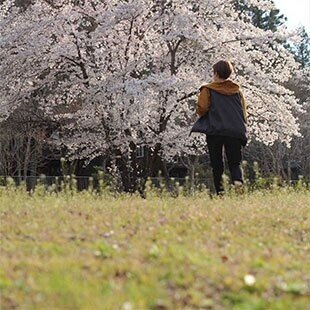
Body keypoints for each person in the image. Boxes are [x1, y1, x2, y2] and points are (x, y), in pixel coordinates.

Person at [193, 60, 247, 194]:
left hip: (215, 130)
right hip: (234, 131)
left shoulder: (208, 89)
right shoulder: (237, 91)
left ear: (216, 73)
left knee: (217, 164)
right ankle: (239, 189)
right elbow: (244, 111)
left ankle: (220, 192)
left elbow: (202, 108)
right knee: (235, 163)